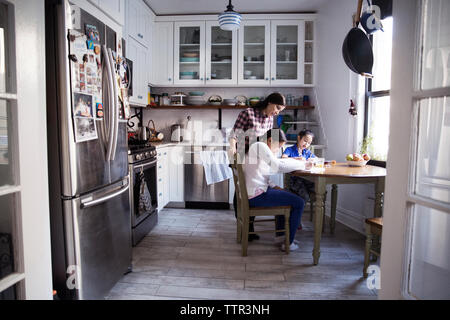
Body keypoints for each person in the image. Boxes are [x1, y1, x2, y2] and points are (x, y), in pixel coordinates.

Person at [229, 93, 286, 241]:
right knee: (241, 190)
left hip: (256, 159)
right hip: (242, 155)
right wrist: (232, 151)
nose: (277, 112)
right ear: (270, 102)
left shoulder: (270, 119)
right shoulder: (248, 113)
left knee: (251, 190)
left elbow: (271, 139)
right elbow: (234, 134)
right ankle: (245, 228)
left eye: (280, 110)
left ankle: (249, 229)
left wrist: (280, 152)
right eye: (277, 108)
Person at [243, 129, 305, 251]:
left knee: (284, 196)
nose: (277, 151)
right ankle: (288, 242)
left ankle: (281, 237)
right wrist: (304, 164)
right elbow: (277, 165)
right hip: (256, 196)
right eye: (278, 147)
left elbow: (262, 173)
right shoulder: (260, 145)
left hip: (254, 193)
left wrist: (276, 186)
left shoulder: (256, 146)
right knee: (299, 202)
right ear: (270, 140)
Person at [282, 129, 316, 214]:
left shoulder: (307, 152)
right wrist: (296, 158)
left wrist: (313, 160)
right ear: (299, 138)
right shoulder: (290, 149)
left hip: (306, 179)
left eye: (309, 143)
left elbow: (316, 159)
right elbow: (283, 158)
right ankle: (296, 217)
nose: (306, 144)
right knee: (304, 196)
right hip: (294, 179)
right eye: (305, 141)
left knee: (318, 189)